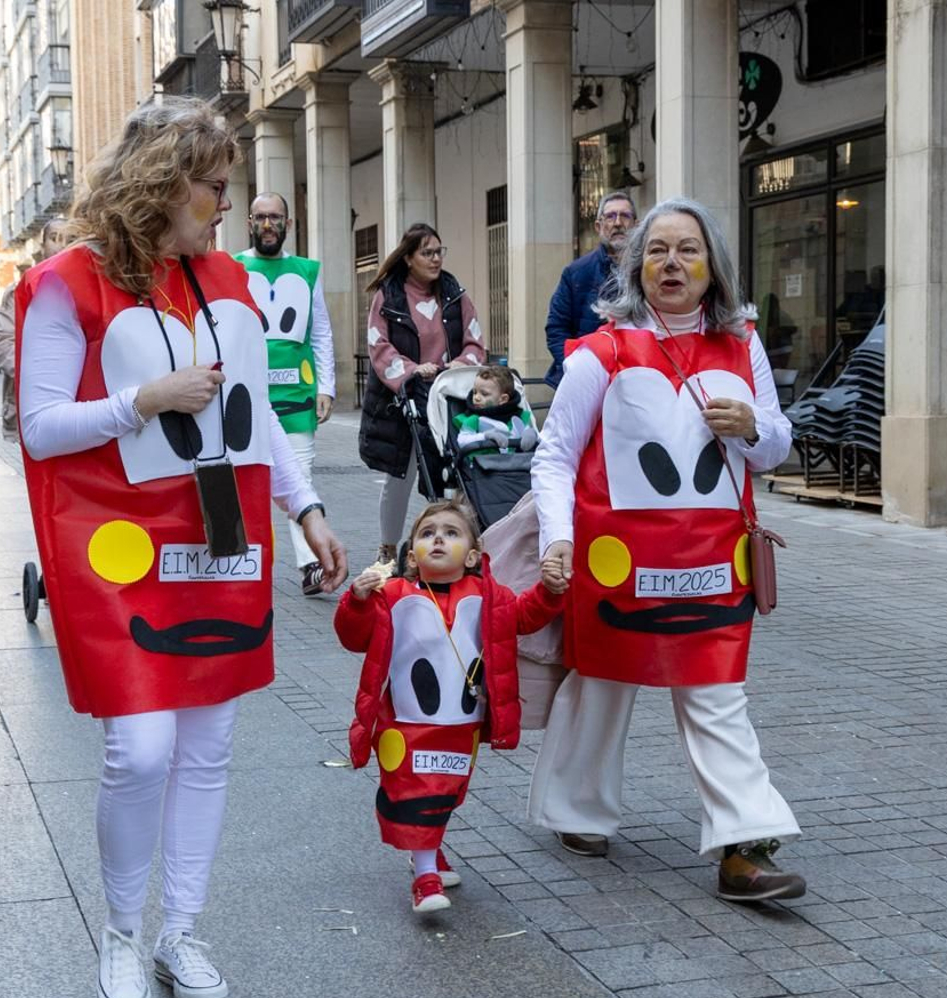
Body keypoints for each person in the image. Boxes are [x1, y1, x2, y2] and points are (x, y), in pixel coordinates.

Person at [14, 96, 348, 998]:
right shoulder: (65, 284)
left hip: (218, 533)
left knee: (208, 745)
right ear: (164, 180)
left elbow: (263, 421)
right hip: (116, 541)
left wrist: (308, 507)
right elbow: (40, 431)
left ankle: (181, 931)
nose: (226, 206)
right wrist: (143, 399)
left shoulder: (228, 280)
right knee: (142, 745)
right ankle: (123, 935)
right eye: (214, 186)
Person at [528, 197, 805, 902]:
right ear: (635, 265)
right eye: (657, 250)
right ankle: (576, 809)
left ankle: (745, 842)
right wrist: (557, 539)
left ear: (714, 266)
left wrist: (751, 426)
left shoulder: (743, 345)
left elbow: (776, 446)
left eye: (688, 249)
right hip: (616, 563)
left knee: (716, 693)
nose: (672, 263)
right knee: (602, 682)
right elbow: (555, 456)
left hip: (713, 563)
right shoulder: (601, 351)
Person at [336, 501, 565, 915]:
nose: (437, 538)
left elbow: (524, 617)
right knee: (414, 791)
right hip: (405, 723)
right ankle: (425, 878)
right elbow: (355, 637)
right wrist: (356, 600)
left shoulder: (488, 596)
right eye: (427, 533)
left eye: (451, 532)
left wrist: (550, 592)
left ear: (474, 555)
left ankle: (429, 850)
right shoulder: (392, 595)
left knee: (447, 790)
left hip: (464, 722)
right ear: (411, 556)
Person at [359, 223, 488, 566]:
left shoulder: (454, 293)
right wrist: (411, 370)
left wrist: (456, 366)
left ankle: (453, 543)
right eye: (427, 253)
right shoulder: (389, 296)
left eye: (438, 252)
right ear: (409, 258)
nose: (435, 259)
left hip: (447, 396)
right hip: (403, 400)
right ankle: (388, 547)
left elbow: (475, 342)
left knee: (452, 472)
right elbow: (378, 345)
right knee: (400, 476)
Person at [234, 191, 337, 596]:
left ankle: (310, 564)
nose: (267, 225)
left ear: (288, 224)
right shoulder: (233, 267)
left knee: (299, 476)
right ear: (249, 222)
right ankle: (237, 561)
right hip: (247, 392)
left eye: (275, 217)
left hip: (297, 393)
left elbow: (321, 331)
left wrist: (326, 386)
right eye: (260, 217)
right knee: (242, 479)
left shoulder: (308, 270)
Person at [0, 218, 75, 442]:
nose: (62, 244)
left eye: (70, 239)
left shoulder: (89, 286)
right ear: (43, 244)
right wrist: (36, 376)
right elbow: (2, 339)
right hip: (34, 401)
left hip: (80, 406)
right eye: (55, 238)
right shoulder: (23, 289)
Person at [544, 191, 636, 388]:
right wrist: (577, 369)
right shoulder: (576, 273)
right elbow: (557, 329)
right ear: (598, 226)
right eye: (610, 216)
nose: (618, 223)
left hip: (636, 379)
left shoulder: (649, 270)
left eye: (625, 216)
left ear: (636, 224)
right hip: (584, 381)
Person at [452, 365, 536, 454]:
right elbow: (462, 441)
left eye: (484, 394)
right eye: (475, 392)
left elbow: (524, 429)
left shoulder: (518, 416)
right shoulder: (474, 419)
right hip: (484, 463)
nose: (476, 397)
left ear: (503, 399)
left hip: (515, 462)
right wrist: (485, 436)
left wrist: (529, 434)